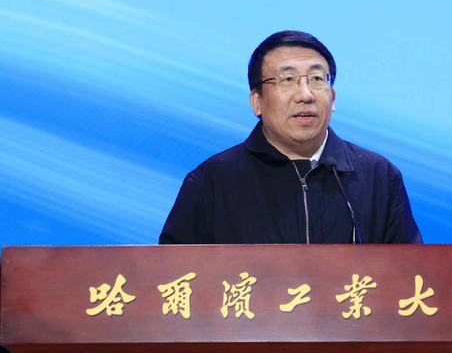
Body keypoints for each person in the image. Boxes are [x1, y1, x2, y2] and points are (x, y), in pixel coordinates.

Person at [159, 30, 422, 244]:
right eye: (287, 80)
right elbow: (172, 278)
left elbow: (411, 276)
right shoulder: (212, 182)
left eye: (317, 78)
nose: (305, 95)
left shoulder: (378, 177)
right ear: (257, 101)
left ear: (332, 99)